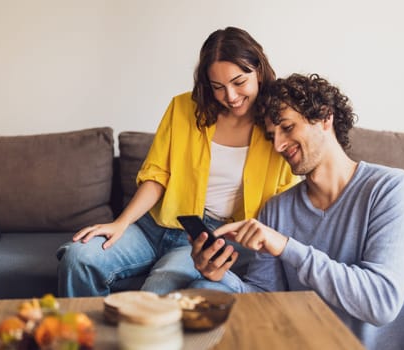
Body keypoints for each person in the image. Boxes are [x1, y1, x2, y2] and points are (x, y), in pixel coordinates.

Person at [189, 73, 404, 350]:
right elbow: (265, 297)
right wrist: (221, 276)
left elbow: (381, 303)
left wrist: (287, 247)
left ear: (326, 118)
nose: (278, 145)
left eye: (287, 128)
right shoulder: (277, 209)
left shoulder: (392, 189)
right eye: (271, 135)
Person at [56, 27, 299, 297]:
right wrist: (121, 223)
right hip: (153, 227)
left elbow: (287, 195)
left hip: (208, 238)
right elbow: (158, 175)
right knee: (78, 258)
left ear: (260, 71)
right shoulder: (183, 108)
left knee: (159, 290)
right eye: (218, 87)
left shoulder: (279, 125)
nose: (230, 96)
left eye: (239, 82)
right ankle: (85, 336)